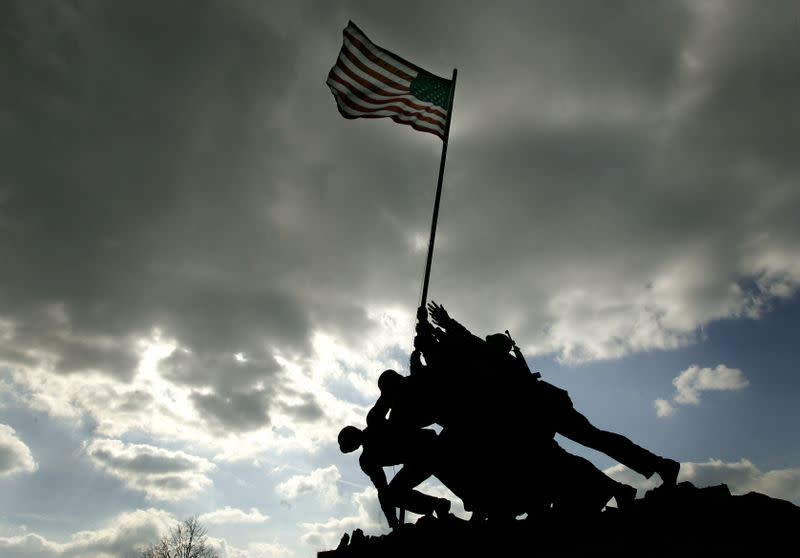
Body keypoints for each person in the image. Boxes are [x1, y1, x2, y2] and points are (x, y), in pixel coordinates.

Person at [423, 301, 680, 489]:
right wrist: (433, 333)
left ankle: (650, 469)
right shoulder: (494, 360)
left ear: (497, 347)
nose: (486, 344)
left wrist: (445, 324)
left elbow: (469, 343)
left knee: (577, 443)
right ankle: (647, 470)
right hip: (538, 409)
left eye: (490, 342)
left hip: (541, 408)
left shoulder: (499, 359)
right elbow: (464, 348)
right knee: (571, 446)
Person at [338, 422, 450, 529]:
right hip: (419, 457)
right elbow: (383, 490)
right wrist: (392, 521)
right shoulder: (367, 459)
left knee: (393, 495)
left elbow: (383, 491)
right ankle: (437, 505)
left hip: (426, 449)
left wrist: (393, 522)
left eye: (348, 446)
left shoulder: (375, 430)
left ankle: (437, 505)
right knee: (393, 494)